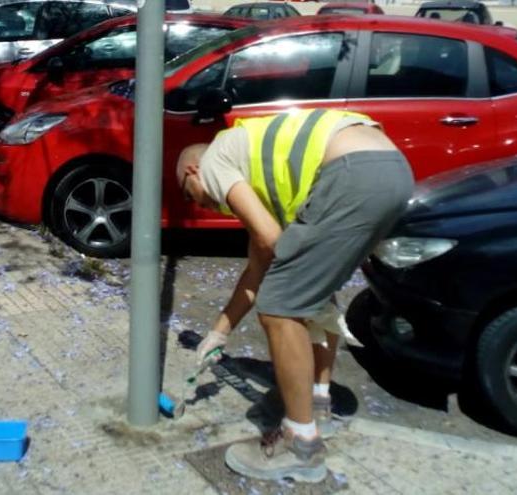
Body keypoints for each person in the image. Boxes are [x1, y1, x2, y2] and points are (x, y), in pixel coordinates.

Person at [176, 108, 414, 483]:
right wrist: (219, 332)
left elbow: (270, 241)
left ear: (193, 172)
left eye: (196, 197)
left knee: (279, 308)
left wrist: (276, 291)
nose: (204, 206)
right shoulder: (264, 174)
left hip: (352, 173)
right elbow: (257, 269)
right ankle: (317, 403)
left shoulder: (217, 157)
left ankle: (300, 444)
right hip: (392, 169)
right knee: (313, 295)